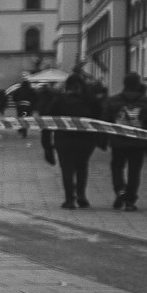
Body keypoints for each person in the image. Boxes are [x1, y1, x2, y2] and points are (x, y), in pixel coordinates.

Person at [49, 68, 104, 209]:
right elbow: (100, 121)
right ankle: (81, 195)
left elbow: (47, 123)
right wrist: (100, 140)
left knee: (67, 169)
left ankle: (69, 199)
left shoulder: (58, 101)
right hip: (85, 141)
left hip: (63, 140)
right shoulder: (90, 101)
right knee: (82, 167)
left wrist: (47, 146)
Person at [106, 73, 147, 210]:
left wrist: (104, 140)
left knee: (117, 167)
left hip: (118, 141)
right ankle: (130, 200)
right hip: (138, 142)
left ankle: (120, 190)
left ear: (124, 83)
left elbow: (104, 120)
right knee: (134, 170)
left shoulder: (112, 100)